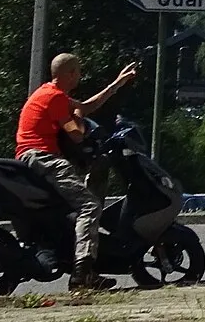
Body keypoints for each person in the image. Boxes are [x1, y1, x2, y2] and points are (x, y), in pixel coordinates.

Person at [15, 53, 137, 291]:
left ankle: (80, 263)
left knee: (74, 206)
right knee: (89, 206)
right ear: (69, 74)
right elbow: (76, 134)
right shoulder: (55, 98)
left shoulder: (46, 92)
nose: (80, 76)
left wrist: (117, 84)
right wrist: (79, 118)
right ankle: (82, 271)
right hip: (43, 158)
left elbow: (84, 107)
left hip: (30, 158)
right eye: (78, 71)